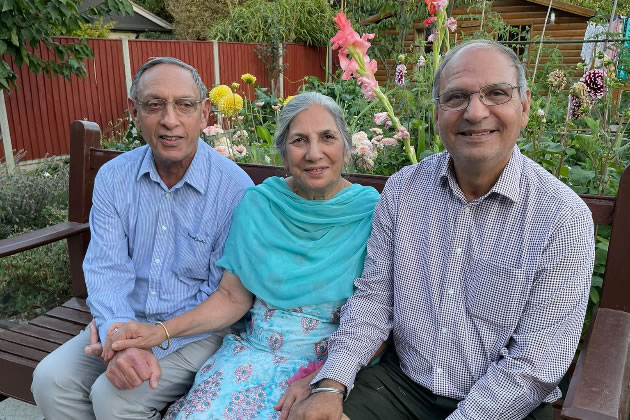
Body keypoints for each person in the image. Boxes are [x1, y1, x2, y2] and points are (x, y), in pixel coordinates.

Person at [292, 39, 595, 420]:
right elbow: (373, 302)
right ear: (437, 113)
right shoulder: (404, 190)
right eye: (456, 97)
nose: (474, 112)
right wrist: (331, 383)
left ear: (525, 106)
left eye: (496, 93)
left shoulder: (562, 218)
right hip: (401, 389)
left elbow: (534, 365)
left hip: (506, 406)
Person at [103, 91, 381, 420]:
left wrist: (324, 382)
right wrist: (160, 332)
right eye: (299, 140)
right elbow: (232, 297)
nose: (314, 153)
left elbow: (382, 318)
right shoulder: (260, 205)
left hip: (334, 368)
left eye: (327, 137)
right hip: (253, 355)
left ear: (345, 148)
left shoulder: (372, 213)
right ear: (283, 152)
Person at [31, 57, 254, 419]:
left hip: (197, 330)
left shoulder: (234, 190)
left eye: (184, 105)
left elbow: (223, 297)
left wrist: (153, 341)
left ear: (205, 113)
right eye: (154, 105)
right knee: (51, 380)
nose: (170, 120)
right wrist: (118, 336)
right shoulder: (114, 178)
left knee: (114, 398)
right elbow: (106, 268)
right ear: (134, 112)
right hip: (126, 320)